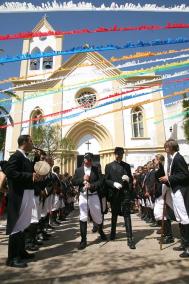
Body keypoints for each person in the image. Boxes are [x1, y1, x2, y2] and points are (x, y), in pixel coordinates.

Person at [3, 135, 41, 268]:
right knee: (16, 226)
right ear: (24, 142)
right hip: (19, 195)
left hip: (27, 193)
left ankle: (21, 251)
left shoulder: (24, 157)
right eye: (31, 141)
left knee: (23, 224)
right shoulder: (16, 156)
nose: (32, 143)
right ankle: (12, 258)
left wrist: (36, 161)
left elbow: (29, 170)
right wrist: (29, 176)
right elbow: (10, 171)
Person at [159, 139, 189, 258]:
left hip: (181, 191)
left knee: (185, 218)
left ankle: (188, 247)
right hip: (175, 191)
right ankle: (184, 243)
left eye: (166, 147)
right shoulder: (173, 159)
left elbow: (185, 175)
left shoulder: (178, 158)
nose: (165, 149)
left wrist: (169, 178)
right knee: (180, 218)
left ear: (171, 147)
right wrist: (167, 180)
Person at [72, 152, 107, 250]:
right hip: (83, 196)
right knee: (83, 217)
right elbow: (73, 181)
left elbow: (100, 182)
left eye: (90, 160)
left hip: (93, 195)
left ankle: (100, 231)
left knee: (98, 217)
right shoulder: (78, 170)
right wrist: (82, 180)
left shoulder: (96, 169)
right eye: (86, 160)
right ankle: (83, 240)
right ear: (84, 160)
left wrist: (91, 185)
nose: (88, 162)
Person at [105, 147, 136, 249]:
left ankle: (130, 238)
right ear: (115, 154)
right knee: (114, 215)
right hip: (114, 194)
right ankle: (113, 233)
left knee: (127, 215)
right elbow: (106, 180)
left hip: (125, 193)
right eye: (118, 154)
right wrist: (113, 183)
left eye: (122, 154)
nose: (120, 156)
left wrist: (129, 178)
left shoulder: (126, 166)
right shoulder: (109, 166)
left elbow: (131, 179)